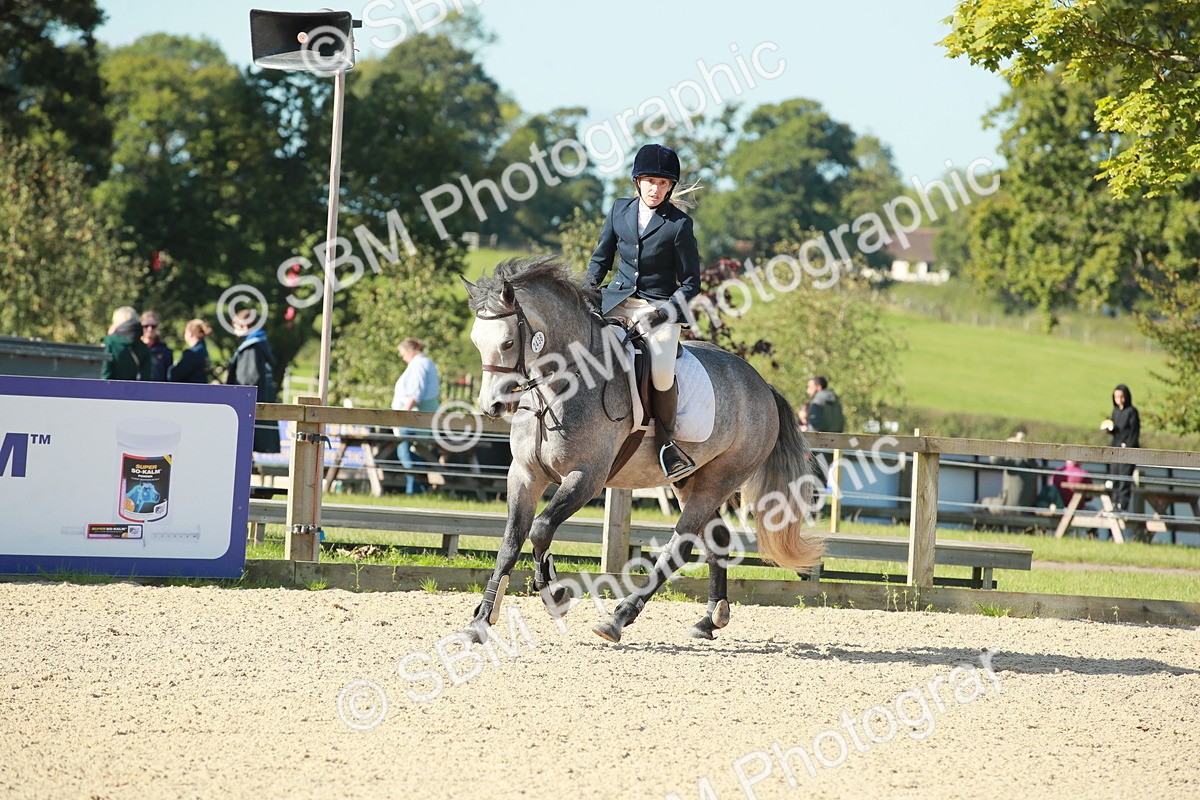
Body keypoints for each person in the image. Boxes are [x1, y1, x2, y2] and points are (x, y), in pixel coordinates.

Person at [584, 143, 702, 479]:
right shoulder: (619, 211)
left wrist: (665, 313)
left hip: (658, 307)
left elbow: (692, 282)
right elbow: (600, 260)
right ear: (638, 181)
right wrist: (585, 291)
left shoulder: (679, 225)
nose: (656, 188)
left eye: (663, 183)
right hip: (617, 300)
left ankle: (666, 443)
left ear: (670, 187)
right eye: (650, 181)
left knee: (662, 371)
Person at [226, 311, 281, 453]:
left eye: (236, 326)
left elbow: (248, 380)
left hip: (247, 409)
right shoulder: (261, 344)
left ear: (245, 327)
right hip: (260, 406)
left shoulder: (251, 349)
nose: (234, 331)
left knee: (244, 452)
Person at [391, 338, 441, 495]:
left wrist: (402, 416)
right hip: (420, 418)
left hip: (413, 419)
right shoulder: (425, 363)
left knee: (405, 452)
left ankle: (414, 489)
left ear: (410, 351)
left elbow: (415, 393)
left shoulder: (419, 364)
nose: (402, 357)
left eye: (403, 353)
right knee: (412, 451)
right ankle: (417, 487)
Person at [1101, 383, 1140, 511]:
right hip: (1116, 449)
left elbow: (1134, 433)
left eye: (1121, 397)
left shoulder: (1132, 412)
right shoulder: (1115, 412)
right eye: (1117, 397)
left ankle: (1122, 504)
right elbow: (1116, 431)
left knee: (1124, 478)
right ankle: (1114, 502)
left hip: (1127, 450)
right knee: (1115, 477)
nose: (1119, 400)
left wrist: (1127, 447)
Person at [101, 306, 153, 381]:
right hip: (133, 391)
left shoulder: (110, 342)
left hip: (110, 390)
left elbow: (105, 373)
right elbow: (146, 379)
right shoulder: (143, 347)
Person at [168, 319, 213, 384]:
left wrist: (173, 367)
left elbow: (174, 375)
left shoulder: (192, 353)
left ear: (190, 333)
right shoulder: (203, 351)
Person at [140, 310, 173, 381]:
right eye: (146, 326)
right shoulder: (135, 348)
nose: (150, 329)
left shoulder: (165, 351)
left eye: (153, 326)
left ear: (157, 327)